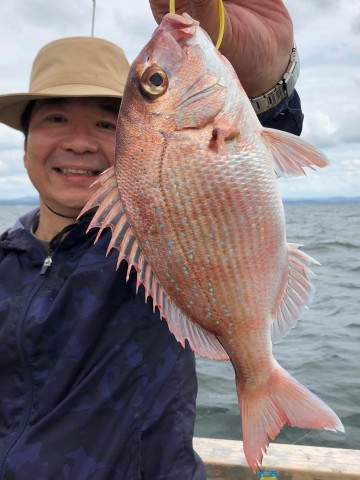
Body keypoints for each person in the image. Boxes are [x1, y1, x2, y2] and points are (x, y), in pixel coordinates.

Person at [0, 1, 304, 478]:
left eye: (105, 123)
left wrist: (271, 80)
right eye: (55, 119)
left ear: (130, 140)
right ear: (24, 144)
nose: (78, 142)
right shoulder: (4, 261)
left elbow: (250, 155)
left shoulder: (135, 251)